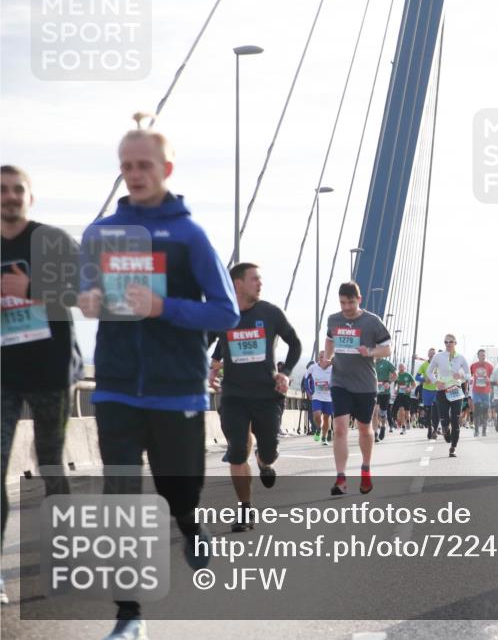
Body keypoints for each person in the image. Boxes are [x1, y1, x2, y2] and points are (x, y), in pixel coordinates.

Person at [77, 113, 240, 637]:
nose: (134, 174)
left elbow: (226, 313)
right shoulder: (101, 232)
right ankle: (130, 616)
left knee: (179, 491)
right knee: (120, 497)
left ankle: (191, 526)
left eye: (143, 164)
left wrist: (163, 306)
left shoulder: (189, 235)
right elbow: (86, 295)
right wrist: (89, 300)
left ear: (166, 167)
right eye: (126, 165)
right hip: (117, 389)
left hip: (176, 391)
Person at [1, 164, 77, 606]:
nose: (9, 196)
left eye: (17, 190)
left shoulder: (52, 241)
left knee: (50, 464)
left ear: (31, 197)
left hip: (50, 373)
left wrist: (32, 287)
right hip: (3, 375)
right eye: (2, 190)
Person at [208, 262, 300, 532]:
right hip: (234, 395)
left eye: (260, 279)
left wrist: (287, 373)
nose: (260, 284)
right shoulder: (223, 314)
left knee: (269, 451)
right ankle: (245, 511)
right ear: (238, 284)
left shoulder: (270, 313)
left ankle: (263, 461)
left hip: (267, 395)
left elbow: (294, 343)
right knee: (237, 452)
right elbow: (203, 340)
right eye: (254, 280)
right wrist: (205, 370)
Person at [320, 281, 391, 495]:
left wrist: (369, 351)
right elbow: (330, 340)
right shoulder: (334, 319)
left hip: (365, 384)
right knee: (340, 428)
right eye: (342, 303)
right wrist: (327, 358)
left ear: (359, 300)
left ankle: (366, 468)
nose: (347, 307)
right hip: (340, 381)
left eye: (350, 302)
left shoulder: (372, 321)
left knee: (364, 428)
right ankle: (340, 478)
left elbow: (387, 349)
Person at [426, 335, 470, 458]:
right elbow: (429, 372)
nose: (448, 344)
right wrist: (435, 382)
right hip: (442, 391)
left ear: (455, 343)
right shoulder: (438, 356)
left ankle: (453, 448)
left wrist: (461, 375)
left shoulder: (461, 358)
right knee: (444, 419)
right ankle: (445, 429)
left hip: (456, 390)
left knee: (455, 419)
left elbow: (468, 375)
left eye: (451, 341)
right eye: (446, 342)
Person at [307, 352, 334, 445]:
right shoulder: (313, 367)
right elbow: (306, 378)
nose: (322, 359)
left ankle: (324, 437)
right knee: (317, 415)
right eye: (320, 357)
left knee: (326, 418)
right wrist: (309, 391)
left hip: (329, 398)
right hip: (317, 396)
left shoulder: (333, 368)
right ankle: (318, 428)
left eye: (324, 357)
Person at [469, 349, 494, 437]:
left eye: (484, 355)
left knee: (484, 411)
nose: (483, 357)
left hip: (486, 392)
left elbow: (493, 378)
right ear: (478, 356)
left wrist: (488, 379)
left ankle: (484, 429)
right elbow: (468, 375)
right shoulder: (473, 366)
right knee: (477, 408)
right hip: (476, 392)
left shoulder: (490, 366)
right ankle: (476, 430)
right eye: (481, 355)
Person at [416, 349, 439, 439]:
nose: (432, 355)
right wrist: (424, 380)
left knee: (436, 412)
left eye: (434, 354)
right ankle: (430, 428)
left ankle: (435, 430)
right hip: (426, 392)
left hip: (437, 391)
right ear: (428, 355)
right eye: (430, 354)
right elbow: (417, 377)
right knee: (428, 412)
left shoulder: (439, 365)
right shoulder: (424, 365)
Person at [375, 356, 395, 441]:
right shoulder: (371, 363)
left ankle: (383, 427)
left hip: (385, 393)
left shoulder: (387, 363)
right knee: (375, 412)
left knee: (382, 413)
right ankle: (375, 433)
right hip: (374, 392)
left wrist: (389, 382)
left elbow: (395, 375)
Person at [393, 363, 415, 435]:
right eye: (400, 367)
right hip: (400, 395)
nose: (401, 368)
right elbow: (395, 385)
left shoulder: (408, 375)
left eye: (402, 367)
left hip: (407, 395)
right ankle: (403, 427)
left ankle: (408, 421)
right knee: (401, 411)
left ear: (405, 368)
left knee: (407, 412)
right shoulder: (397, 375)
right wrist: (395, 389)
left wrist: (410, 388)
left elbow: (414, 384)